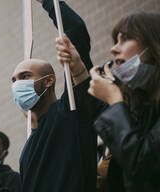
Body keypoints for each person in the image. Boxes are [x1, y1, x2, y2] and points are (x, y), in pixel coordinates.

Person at [12, 0, 105, 191]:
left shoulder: (71, 109)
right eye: (14, 80)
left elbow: (75, 30)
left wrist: (47, 2)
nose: (18, 84)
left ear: (49, 80)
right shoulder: (28, 145)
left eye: (25, 76)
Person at [86, 12, 160, 192]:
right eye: (115, 41)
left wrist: (114, 100)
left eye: (125, 39)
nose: (113, 49)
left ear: (153, 45)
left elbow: (141, 164)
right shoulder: (143, 104)